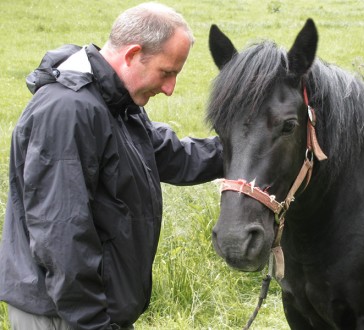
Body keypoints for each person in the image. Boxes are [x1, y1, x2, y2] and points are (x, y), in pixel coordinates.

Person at [0, 2, 223, 329]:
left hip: (92, 311)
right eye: (167, 72)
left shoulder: (114, 103)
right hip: (64, 315)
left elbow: (166, 152)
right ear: (133, 54)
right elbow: (62, 234)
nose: (170, 89)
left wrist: (248, 149)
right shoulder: (68, 112)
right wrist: (95, 322)